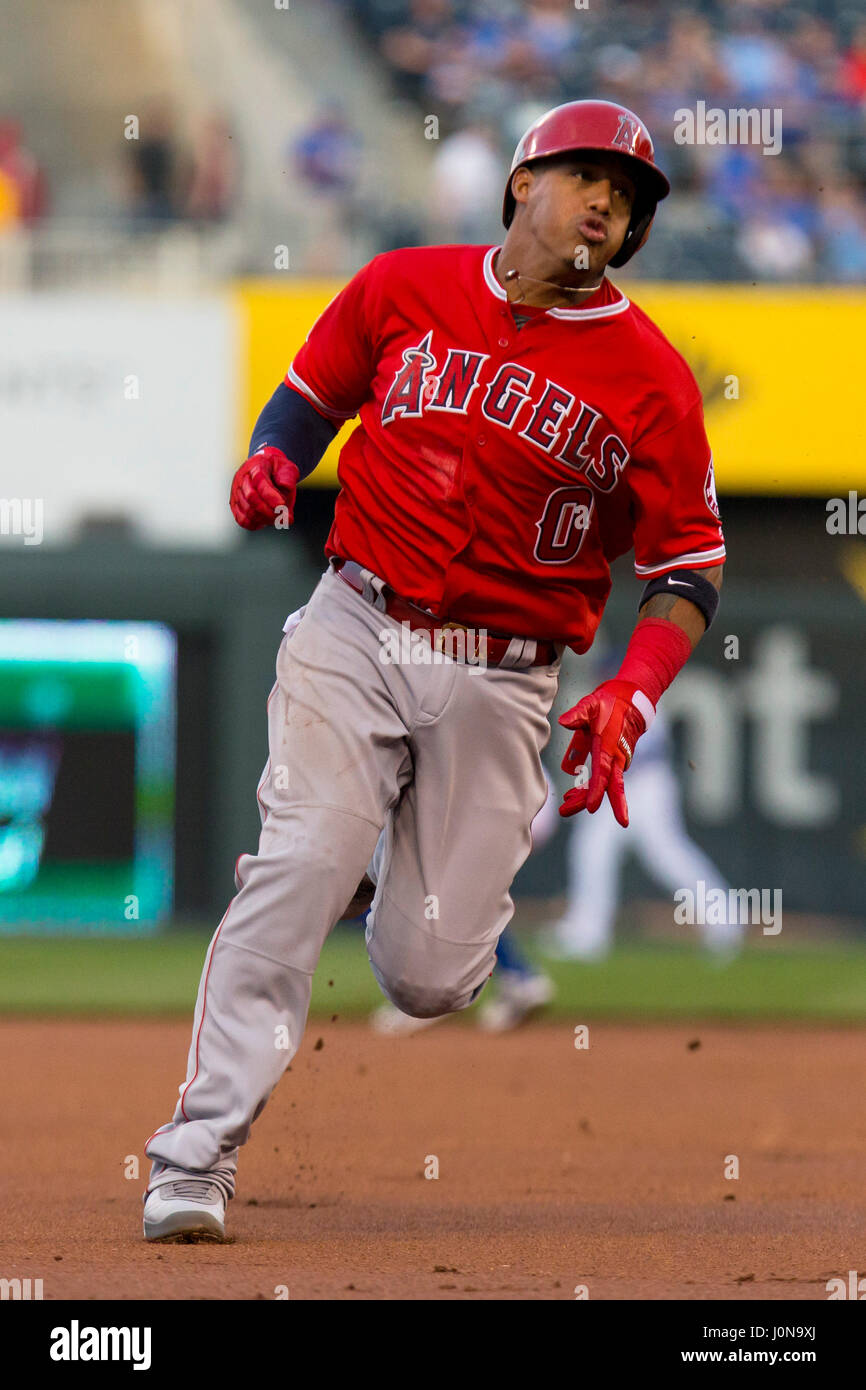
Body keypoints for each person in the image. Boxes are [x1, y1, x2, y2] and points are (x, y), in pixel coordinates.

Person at [142, 99, 726, 1243]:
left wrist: (635, 684)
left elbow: (689, 564)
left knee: (429, 975)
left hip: (504, 676)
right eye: (585, 175)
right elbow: (311, 396)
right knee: (294, 865)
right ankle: (192, 1157)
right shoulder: (401, 284)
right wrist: (272, 456)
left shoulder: (650, 377)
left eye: (629, 194)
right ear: (520, 183)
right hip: (356, 619)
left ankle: (373, 870)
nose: (607, 201)